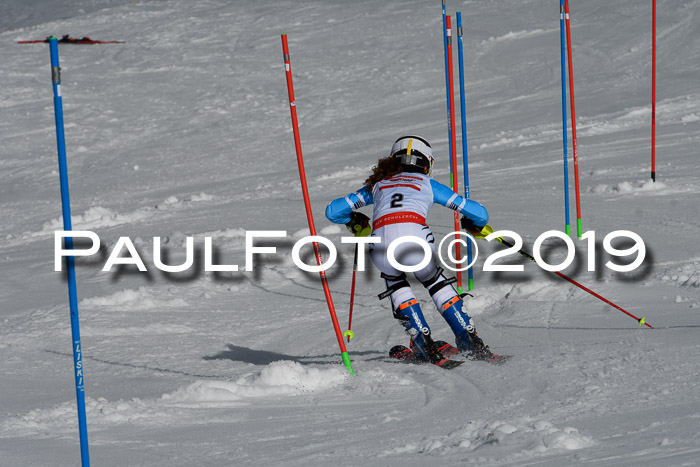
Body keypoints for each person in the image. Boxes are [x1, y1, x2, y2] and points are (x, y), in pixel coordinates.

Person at [325, 135, 494, 363]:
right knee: (433, 280)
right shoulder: (428, 184)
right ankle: (468, 337)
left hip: (381, 241)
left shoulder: (377, 184)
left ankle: (422, 340)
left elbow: (332, 211)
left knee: (395, 281)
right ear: (427, 163)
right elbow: (480, 213)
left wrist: (354, 219)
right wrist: (475, 225)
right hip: (417, 239)